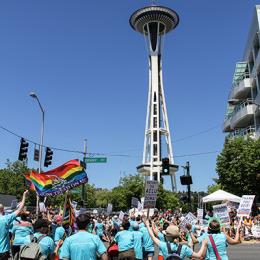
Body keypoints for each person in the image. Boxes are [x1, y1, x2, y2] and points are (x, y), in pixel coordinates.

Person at [144, 218, 208, 260]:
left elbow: (153, 236)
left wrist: (147, 225)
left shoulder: (164, 245)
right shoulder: (184, 248)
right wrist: (204, 244)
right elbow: (199, 255)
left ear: (167, 236)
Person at [0, 190, 28, 260]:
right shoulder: (6, 218)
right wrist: (24, 195)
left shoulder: (6, 218)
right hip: (3, 251)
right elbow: (20, 209)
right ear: (3, 210)